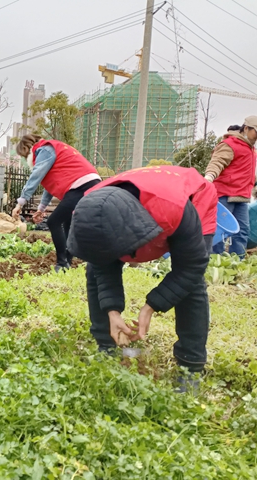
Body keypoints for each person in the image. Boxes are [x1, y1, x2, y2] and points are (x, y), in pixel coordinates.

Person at [67, 166, 218, 392]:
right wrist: (112, 311)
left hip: (190, 199)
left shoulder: (173, 209)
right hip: (129, 208)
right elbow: (102, 263)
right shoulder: (90, 208)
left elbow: (191, 267)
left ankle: (190, 365)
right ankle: (106, 345)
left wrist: (151, 306)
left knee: (192, 285)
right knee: (94, 269)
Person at [13, 134, 100, 272]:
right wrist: (41, 208)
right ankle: (68, 261)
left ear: (26, 149)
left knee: (53, 222)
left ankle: (62, 263)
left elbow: (36, 175)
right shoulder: (53, 148)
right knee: (67, 221)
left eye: (24, 156)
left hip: (81, 185)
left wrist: (20, 203)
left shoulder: (43, 150)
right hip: (90, 182)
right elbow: (51, 183)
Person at [204, 116, 257, 258]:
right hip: (224, 194)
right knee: (220, 231)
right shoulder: (230, 144)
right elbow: (217, 162)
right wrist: (209, 176)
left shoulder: (251, 150)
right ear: (246, 128)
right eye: (256, 132)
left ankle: (236, 262)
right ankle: (215, 261)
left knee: (242, 231)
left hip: (242, 197)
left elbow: (247, 172)